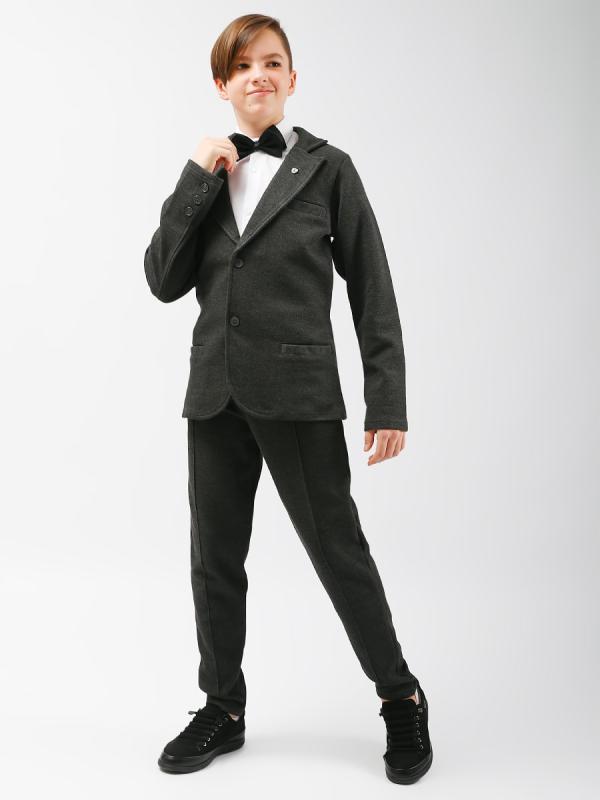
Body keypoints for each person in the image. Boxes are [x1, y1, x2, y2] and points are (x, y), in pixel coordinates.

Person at [144, 13, 432, 785]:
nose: (259, 76)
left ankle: (400, 695)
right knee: (215, 560)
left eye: (272, 63)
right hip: (215, 394)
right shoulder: (209, 173)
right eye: (243, 66)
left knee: (338, 554)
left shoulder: (329, 169)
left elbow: (372, 288)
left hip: (299, 394)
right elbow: (162, 279)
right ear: (223, 84)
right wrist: (194, 179)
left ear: (293, 78)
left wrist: (387, 402)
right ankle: (223, 707)